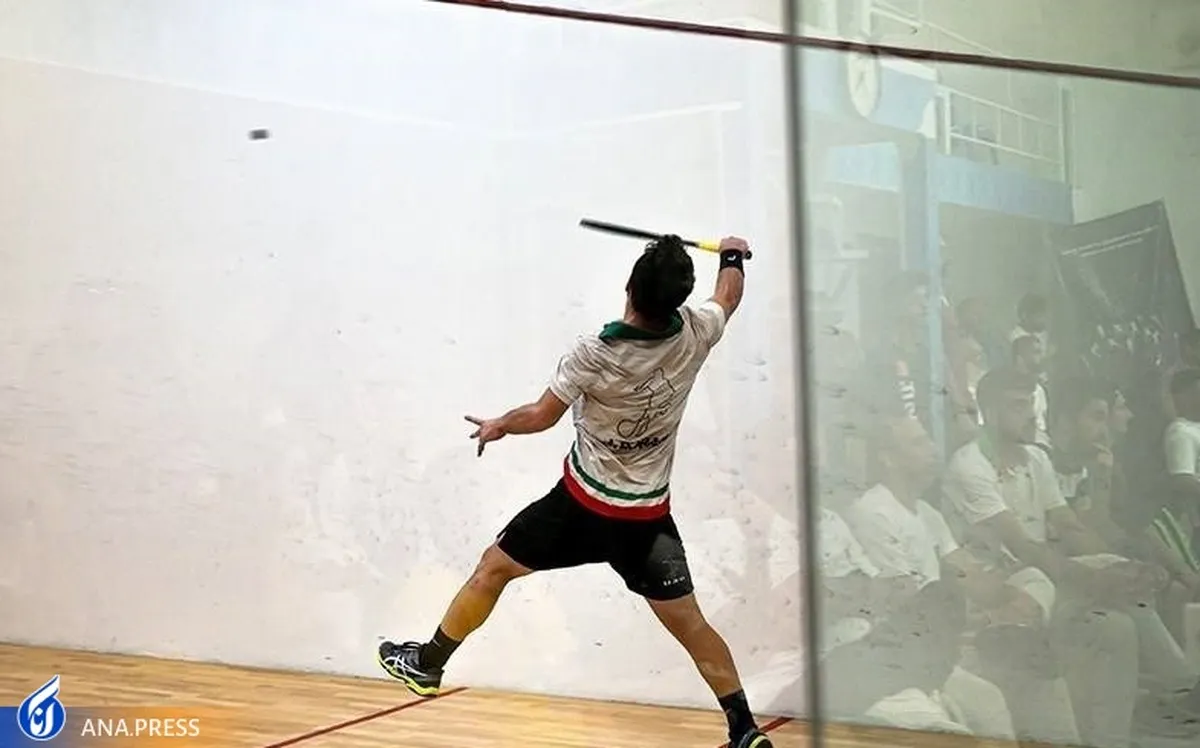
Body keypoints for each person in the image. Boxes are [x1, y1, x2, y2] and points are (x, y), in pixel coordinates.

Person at [376, 235, 774, 748]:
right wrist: (732, 254)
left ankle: (428, 664)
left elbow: (541, 415)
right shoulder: (697, 332)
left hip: (579, 510)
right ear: (676, 299)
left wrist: (500, 424)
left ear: (629, 289)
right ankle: (744, 729)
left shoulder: (595, 353)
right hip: (646, 524)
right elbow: (728, 295)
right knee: (693, 626)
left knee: (492, 569)